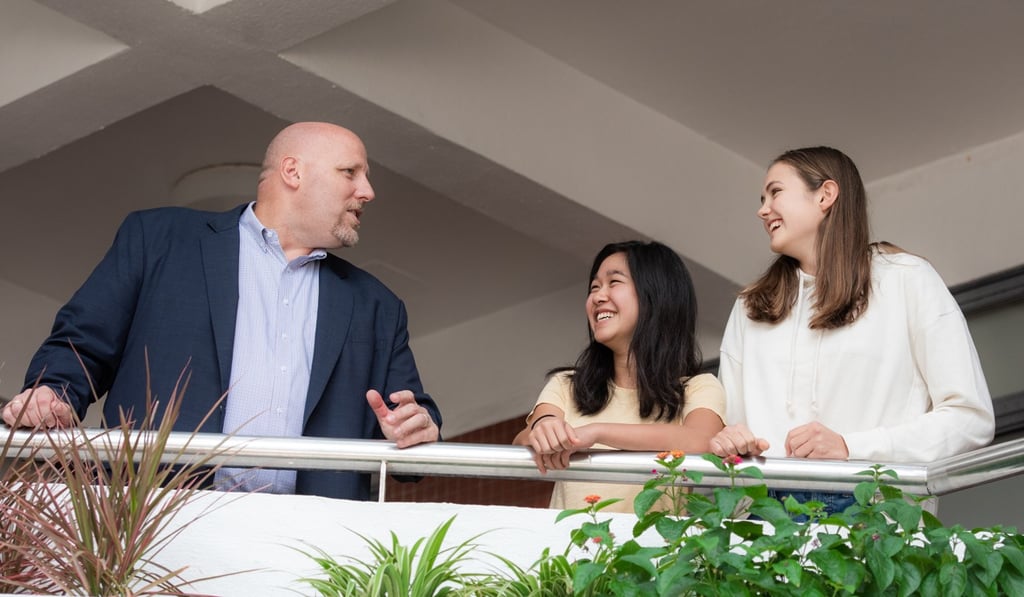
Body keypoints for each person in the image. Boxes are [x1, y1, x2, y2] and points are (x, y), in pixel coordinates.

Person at [2, 122, 441, 501]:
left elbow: (411, 419)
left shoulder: (378, 305)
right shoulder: (158, 240)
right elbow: (81, 345)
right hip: (155, 524)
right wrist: (52, 393)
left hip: (310, 544)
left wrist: (418, 426)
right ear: (293, 171)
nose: (367, 191)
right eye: (350, 172)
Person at [710, 146, 994, 513]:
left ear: (826, 195)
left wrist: (851, 448)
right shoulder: (751, 306)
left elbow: (970, 418)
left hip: (873, 511)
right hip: (768, 518)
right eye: (762, 199)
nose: (763, 210)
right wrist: (731, 440)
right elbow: (732, 429)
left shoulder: (907, 279)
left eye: (775, 192)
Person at [514, 240, 726, 513]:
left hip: (658, 542)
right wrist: (543, 427)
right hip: (571, 542)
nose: (598, 297)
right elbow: (525, 439)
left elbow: (701, 442)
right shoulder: (567, 385)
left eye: (614, 282)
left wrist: (598, 432)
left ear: (655, 296)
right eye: (594, 287)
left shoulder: (698, 388)